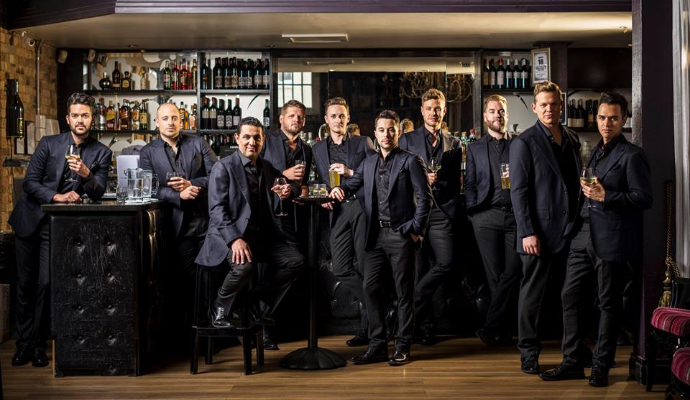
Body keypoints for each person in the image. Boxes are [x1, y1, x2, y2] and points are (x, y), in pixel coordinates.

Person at [540, 92, 652, 387]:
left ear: (624, 119)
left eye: (613, 118)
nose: (606, 123)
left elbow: (644, 198)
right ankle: (572, 361)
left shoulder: (632, 155)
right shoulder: (597, 151)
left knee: (607, 303)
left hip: (611, 237)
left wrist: (607, 196)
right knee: (569, 296)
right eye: (602, 117)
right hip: (582, 233)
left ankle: (601, 366)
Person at [9, 92, 112, 367]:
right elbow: (30, 183)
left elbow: (99, 192)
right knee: (24, 286)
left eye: (85, 115)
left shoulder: (102, 152)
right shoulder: (49, 143)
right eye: (75, 115)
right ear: (68, 118)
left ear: (93, 118)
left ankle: (39, 345)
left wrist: (86, 174)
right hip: (30, 219)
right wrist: (57, 196)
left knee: (46, 284)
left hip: (57, 227)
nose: (80, 120)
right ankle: (23, 345)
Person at [330, 109, 431, 366]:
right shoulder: (369, 162)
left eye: (391, 129)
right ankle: (377, 345)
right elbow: (353, 184)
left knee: (404, 293)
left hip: (401, 234)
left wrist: (415, 231)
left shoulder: (411, 160)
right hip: (375, 235)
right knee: (370, 288)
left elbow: (425, 199)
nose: (387, 134)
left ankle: (403, 345)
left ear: (399, 132)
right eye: (382, 130)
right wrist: (338, 190)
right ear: (375, 133)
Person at [195, 117, 304, 330]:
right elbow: (217, 210)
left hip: (259, 237)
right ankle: (219, 308)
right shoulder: (223, 167)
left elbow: (293, 185)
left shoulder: (266, 166)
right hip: (228, 238)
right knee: (244, 268)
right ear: (237, 138)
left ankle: (254, 299)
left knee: (296, 261)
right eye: (246, 137)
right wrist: (235, 239)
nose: (252, 142)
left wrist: (288, 190)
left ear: (263, 140)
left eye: (257, 138)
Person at [510, 81, 581, 374]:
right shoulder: (524, 142)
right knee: (533, 296)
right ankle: (528, 352)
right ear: (534, 107)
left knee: (571, 295)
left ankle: (575, 350)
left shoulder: (572, 137)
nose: (549, 109)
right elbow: (518, 192)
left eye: (554, 103)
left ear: (561, 105)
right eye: (544, 104)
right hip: (537, 232)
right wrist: (527, 231)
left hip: (571, 230)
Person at [139, 102, 217, 345]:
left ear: (181, 121)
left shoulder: (198, 143)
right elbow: (148, 188)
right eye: (165, 118)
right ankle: (188, 336)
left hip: (205, 220)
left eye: (174, 118)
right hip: (175, 225)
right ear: (157, 122)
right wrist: (178, 195)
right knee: (184, 280)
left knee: (209, 276)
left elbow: (217, 174)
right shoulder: (148, 152)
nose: (170, 122)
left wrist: (193, 184)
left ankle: (208, 333)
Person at [399, 88, 462, 345]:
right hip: (416, 212)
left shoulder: (454, 143)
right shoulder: (406, 140)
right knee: (419, 269)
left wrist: (450, 200)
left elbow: (455, 181)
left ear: (444, 111)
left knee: (446, 262)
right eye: (429, 109)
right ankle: (425, 328)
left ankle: (411, 301)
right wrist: (421, 179)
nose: (433, 113)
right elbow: (399, 177)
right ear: (422, 111)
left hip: (442, 212)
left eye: (438, 109)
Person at [312, 97, 376, 347]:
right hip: (337, 212)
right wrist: (324, 197)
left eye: (342, 116)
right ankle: (378, 306)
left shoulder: (363, 142)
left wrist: (349, 174)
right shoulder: (317, 149)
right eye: (333, 116)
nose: (338, 120)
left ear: (348, 118)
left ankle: (369, 329)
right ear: (326, 120)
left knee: (366, 267)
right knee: (340, 268)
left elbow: (376, 171)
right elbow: (318, 182)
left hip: (360, 208)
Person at [465, 95, 521, 347]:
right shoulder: (475, 148)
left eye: (501, 111)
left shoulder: (520, 144)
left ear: (506, 115)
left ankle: (491, 327)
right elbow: (470, 183)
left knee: (513, 272)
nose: (498, 115)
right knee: (494, 276)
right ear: (485, 116)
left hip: (515, 216)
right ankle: (504, 331)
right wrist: (474, 213)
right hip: (485, 216)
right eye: (492, 111)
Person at [259, 99, 311, 349]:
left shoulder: (306, 150)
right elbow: (254, 172)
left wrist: (301, 191)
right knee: (266, 270)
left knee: (294, 265)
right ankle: (265, 332)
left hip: (291, 218)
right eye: (291, 116)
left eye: (300, 117)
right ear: (281, 119)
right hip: (265, 216)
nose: (296, 120)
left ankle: (263, 315)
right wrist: (282, 175)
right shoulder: (265, 140)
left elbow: (302, 186)